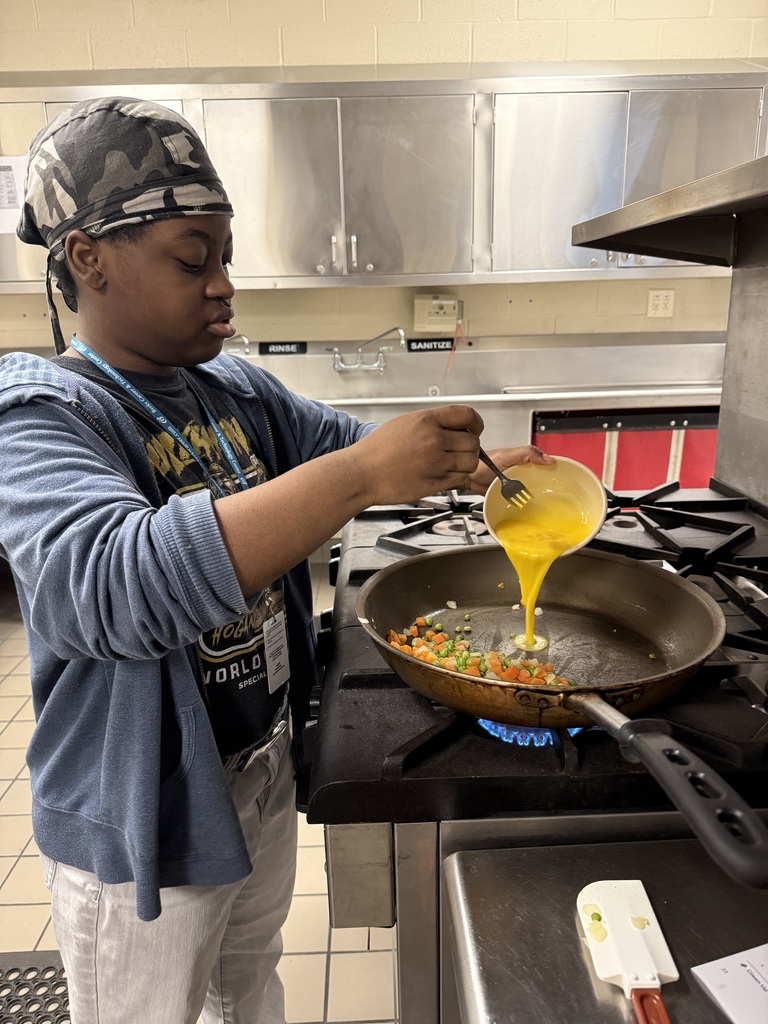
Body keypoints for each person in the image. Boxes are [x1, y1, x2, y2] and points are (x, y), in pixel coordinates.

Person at [0, 96, 553, 1024]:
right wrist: (359, 472)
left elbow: (350, 448)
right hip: (149, 824)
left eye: (225, 256)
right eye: (191, 258)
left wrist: (468, 471)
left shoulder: (232, 388)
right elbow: (108, 586)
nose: (222, 285)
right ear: (86, 258)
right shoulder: (44, 413)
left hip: (253, 772)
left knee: (248, 992)